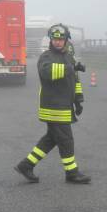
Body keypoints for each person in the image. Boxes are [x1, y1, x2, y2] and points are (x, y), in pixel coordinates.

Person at [15, 24, 90, 185]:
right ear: (50, 40)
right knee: (66, 140)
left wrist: (79, 100)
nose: (57, 42)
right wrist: (71, 67)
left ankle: (26, 165)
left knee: (52, 139)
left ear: (66, 40)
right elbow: (47, 72)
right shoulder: (46, 57)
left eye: (60, 39)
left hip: (65, 106)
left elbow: (74, 80)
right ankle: (72, 173)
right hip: (53, 107)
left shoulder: (69, 57)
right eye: (54, 39)